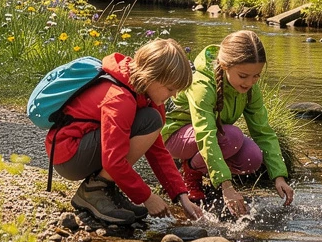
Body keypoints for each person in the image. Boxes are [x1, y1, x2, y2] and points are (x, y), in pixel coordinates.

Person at [44, 39, 205, 225]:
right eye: (170, 88)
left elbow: (158, 153)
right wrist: (147, 196)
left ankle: (107, 188)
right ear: (151, 76)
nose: (174, 95)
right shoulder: (120, 99)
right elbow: (113, 161)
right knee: (151, 121)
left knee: (152, 119)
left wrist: (182, 197)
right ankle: (94, 190)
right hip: (68, 156)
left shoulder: (147, 97)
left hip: (84, 146)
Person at [163, 29, 294, 217]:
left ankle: (207, 173)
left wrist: (279, 176)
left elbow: (263, 131)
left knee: (253, 157)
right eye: (243, 76)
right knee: (232, 136)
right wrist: (226, 186)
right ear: (224, 65)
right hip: (175, 137)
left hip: (213, 136)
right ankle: (190, 172)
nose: (250, 82)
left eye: (256, 75)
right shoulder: (202, 85)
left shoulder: (250, 88)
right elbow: (205, 134)